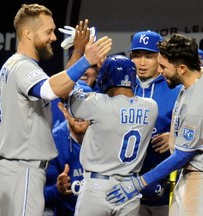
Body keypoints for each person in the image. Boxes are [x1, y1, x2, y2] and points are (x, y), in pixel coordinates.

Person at [0, 3, 112, 216]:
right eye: (48, 31)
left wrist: (77, 51)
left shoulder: (13, 64)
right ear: (28, 33)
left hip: (11, 169)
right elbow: (49, 90)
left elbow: (60, 88)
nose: (54, 38)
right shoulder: (23, 66)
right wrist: (86, 60)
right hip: (23, 170)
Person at [106, 33, 203, 216]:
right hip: (198, 174)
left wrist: (140, 182)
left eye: (163, 66)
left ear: (182, 68)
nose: (160, 71)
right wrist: (175, 136)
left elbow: (181, 156)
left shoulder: (197, 107)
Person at [67, 55, 158, 216]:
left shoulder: (98, 103)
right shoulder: (151, 107)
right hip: (129, 190)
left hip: (97, 187)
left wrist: (80, 54)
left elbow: (68, 88)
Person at [129, 30, 181, 216]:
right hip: (126, 184)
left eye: (149, 56)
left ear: (160, 58)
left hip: (166, 183)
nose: (142, 63)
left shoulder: (176, 87)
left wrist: (175, 137)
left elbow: (199, 129)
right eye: (137, 56)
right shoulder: (122, 86)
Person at [44, 82, 93, 216]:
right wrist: (57, 190)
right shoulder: (52, 143)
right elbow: (40, 197)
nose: (80, 113)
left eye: (85, 106)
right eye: (74, 106)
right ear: (63, 109)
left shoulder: (105, 138)